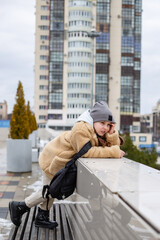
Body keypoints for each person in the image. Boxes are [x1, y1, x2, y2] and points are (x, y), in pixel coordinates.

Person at [9, 101, 125, 229]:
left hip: (64, 162)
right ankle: (19, 206)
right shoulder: (81, 129)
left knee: (50, 190)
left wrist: (112, 133)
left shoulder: (97, 130)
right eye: (102, 123)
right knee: (49, 191)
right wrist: (114, 152)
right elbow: (85, 152)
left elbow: (111, 146)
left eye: (108, 124)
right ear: (93, 120)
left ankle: (41, 217)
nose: (105, 127)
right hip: (53, 159)